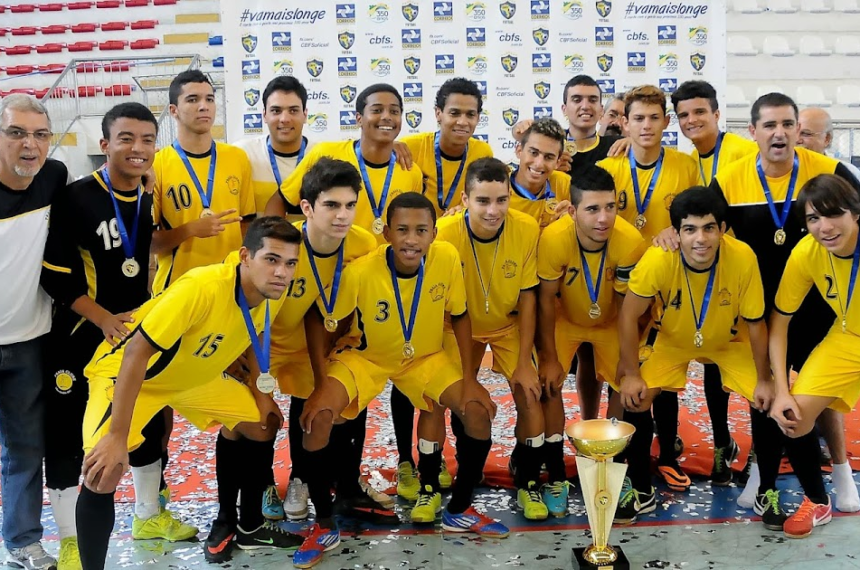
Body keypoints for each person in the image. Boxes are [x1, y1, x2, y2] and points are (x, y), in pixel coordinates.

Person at [74, 217, 302, 570]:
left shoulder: (273, 291)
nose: (281, 272)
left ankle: (243, 523)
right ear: (245, 256)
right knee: (103, 471)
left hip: (193, 377)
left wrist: (261, 393)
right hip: (130, 376)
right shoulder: (201, 286)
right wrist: (117, 436)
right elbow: (135, 353)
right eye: (271, 259)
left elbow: (256, 338)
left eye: (290, 263)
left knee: (261, 423)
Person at [293, 193, 506, 568]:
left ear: (433, 233)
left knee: (477, 411)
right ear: (387, 232)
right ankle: (323, 524)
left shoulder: (445, 260)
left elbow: (460, 315)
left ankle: (459, 510)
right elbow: (318, 317)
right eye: (403, 230)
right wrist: (320, 379)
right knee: (319, 417)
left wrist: (471, 379)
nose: (411, 239)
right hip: (366, 357)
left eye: (421, 230)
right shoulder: (360, 272)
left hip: (423, 358)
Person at [40, 103, 182, 570]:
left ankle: (146, 514)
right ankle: (70, 539)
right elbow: (57, 280)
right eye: (126, 138)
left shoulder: (145, 194)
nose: (138, 149)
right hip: (82, 334)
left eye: (146, 140)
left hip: (133, 333)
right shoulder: (76, 197)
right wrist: (104, 319)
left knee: (144, 422)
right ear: (105, 145)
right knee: (65, 435)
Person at [708, 92, 860, 514]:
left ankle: (843, 471)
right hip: (765, 306)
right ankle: (763, 470)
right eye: (769, 125)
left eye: (788, 124)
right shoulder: (730, 178)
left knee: (820, 394)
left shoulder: (829, 172)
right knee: (769, 389)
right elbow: (702, 223)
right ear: (752, 132)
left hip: (829, 307)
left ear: (799, 130)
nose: (779, 133)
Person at [615, 186, 778, 526]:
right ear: (676, 232)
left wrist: (765, 379)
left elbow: (756, 323)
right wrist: (630, 373)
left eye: (709, 228)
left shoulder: (743, 257)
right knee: (636, 396)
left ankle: (767, 488)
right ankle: (641, 489)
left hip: (728, 343)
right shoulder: (659, 258)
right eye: (689, 229)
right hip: (672, 340)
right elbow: (629, 315)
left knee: (769, 400)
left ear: (722, 229)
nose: (700, 239)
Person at [261, 158, 377, 534]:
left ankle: (340, 481)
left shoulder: (362, 244)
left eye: (349, 205)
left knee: (339, 398)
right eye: (331, 205)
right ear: (307, 208)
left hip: (326, 340)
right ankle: (291, 479)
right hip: (273, 344)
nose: (342, 216)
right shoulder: (283, 246)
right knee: (259, 419)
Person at [391, 77, 493, 501]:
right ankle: (406, 461)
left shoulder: (483, 153)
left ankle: (442, 459)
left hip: (450, 268)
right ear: (437, 114)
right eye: (454, 112)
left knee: (447, 374)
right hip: (411, 268)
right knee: (407, 377)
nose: (462, 121)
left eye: (471, 114)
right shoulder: (410, 148)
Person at [656, 80, 760, 485]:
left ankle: (727, 446)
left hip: (740, 272)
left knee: (733, 363)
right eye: (683, 115)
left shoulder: (742, 153)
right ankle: (714, 445)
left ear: (718, 113)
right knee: (697, 355)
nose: (692, 120)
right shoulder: (688, 162)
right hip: (703, 274)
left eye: (700, 112)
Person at [435, 158, 546, 518]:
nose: (493, 210)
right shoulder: (444, 231)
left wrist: (526, 361)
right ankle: (442, 474)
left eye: (501, 200)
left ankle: (528, 479)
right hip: (456, 328)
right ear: (465, 199)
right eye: (483, 200)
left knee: (531, 395)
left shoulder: (527, 228)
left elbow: (529, 298)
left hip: (507, 326)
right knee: (449, 399)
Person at [535, 163, 646, 511]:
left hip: (612, 321)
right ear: (572, 210)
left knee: (624, 385)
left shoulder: (630, 242)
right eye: (593, 209)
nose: (604, 218)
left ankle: (607, 464)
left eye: (611, 207)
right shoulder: (554, 238)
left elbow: (630, 310)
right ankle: (554, 470)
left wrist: (630, 368)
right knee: (547, 381)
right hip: (566, 319)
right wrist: (550, 358)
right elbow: (545, 301)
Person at [770, 174, 860, 537]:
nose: (824, 228)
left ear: (855, 212)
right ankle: (816, 500)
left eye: (833, 214)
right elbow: (779, 324)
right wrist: (780, 389)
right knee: (793, 417)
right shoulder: (806, 252)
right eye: (813, 219)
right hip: (847, 338)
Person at [0, 94, 66, 570]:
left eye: (40, 134)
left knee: (25, 447)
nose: (30, 145)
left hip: (28, 342)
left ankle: (23, 540)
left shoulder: (54, 177)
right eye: (17, 133)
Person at [234, 76, 310, 217]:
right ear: (264, 115)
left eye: (293, 111)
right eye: (276, 111)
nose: (285, 119)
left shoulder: (320, 155)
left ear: (305, 115)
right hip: (258, 239)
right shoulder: (243, 153)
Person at [508, 118, 572, 230]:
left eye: (548, 157)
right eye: (533, 153)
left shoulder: (564, 184)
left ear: (557, 162)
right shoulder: (498, 190)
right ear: (519, 151)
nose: (539, 164)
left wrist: (574, 221)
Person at [798, 107, 860, 184]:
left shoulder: (846, 173)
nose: (797, 140)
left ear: (827, 138)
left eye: (806, 134)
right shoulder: (782, 173)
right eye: (794, 133)